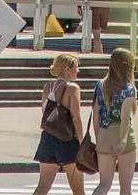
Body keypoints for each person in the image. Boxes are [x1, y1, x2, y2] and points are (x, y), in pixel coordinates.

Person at [32, 53, 84, 195]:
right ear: (67, 69)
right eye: (76, 67)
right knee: (78, 189)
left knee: (43, 186)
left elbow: (45, 112)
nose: (78, 70)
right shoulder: (73, 88)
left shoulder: (47, 87)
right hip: (67, 140)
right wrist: (82, 141)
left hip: (48, 138)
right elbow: (76, 119)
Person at [90, 48, 138, 195]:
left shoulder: (100, 85)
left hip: (104, 135)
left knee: (104, 184)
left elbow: (96, 115)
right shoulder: (129, 89)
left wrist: (99, 138)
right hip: (122, 135)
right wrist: (122, 142)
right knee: (125, 187)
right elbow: (124, 118)